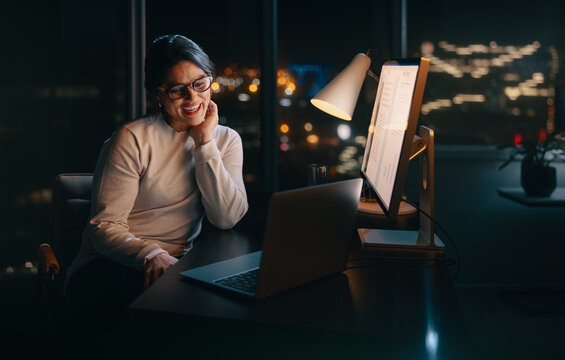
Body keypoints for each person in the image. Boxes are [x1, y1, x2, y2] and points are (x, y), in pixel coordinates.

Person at [65, 34, 248, 315]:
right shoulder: (132, 138)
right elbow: (104, 227)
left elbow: (226, 218)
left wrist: (204, 144)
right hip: (110, 263)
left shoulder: (226, 140)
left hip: (179, 264)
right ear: (157, 94)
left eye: (200, 84)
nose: (193, 97)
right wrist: (151, 255)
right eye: (177, 90)